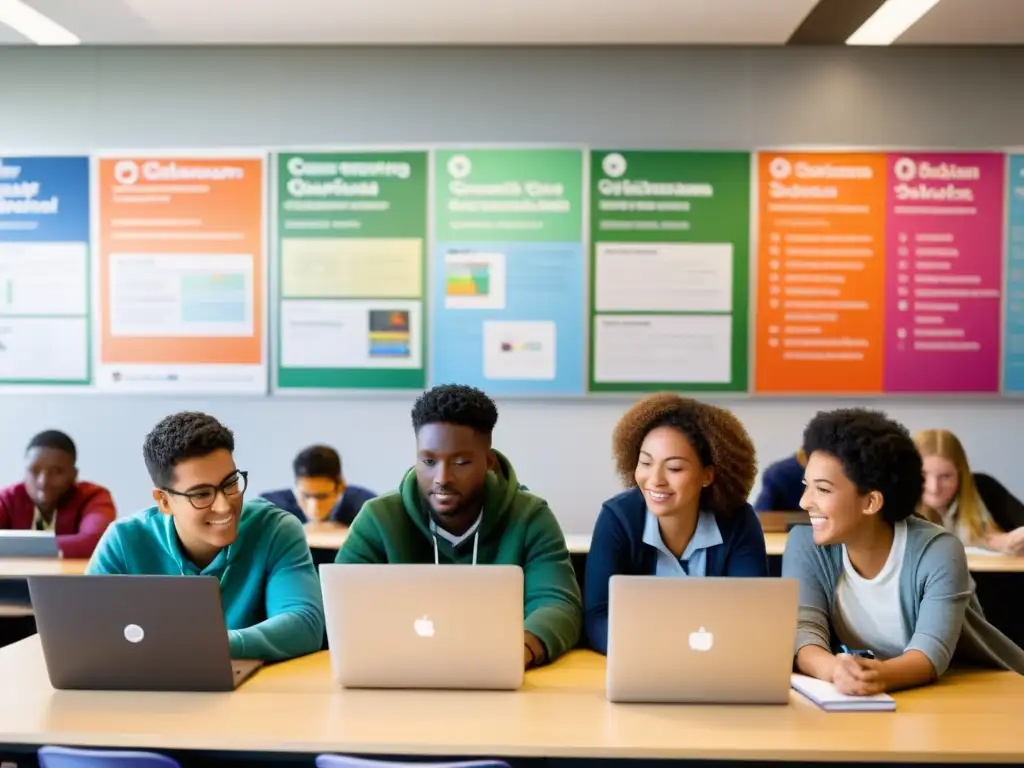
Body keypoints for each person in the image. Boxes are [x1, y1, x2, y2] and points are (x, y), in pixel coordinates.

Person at [335, 384, 582, 668]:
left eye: (461, 462)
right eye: (428, 461)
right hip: (400, 674)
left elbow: (557, 603)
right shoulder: (378, 519)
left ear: (488, 462)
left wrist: (516, 651)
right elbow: (343, 607)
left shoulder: (530, 517)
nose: (442, 478)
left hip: (500, 676)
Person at [783, 408, 1024, 695]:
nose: (804, 501)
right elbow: (804, 633)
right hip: (879, 691)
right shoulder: (805, 544)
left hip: (973, 687)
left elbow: (930, 653)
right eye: (805, 486)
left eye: (822, 490)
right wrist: (834, 670)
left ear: (871, 502)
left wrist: (876, 676)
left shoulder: (938, 551)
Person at [87, 412, 325, 662]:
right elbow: (85, 631)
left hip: (255, 694)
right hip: (149, 693)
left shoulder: (276, 530)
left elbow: (304, 625)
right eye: (201, 494)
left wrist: (206, 646)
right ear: (165, 501)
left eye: (230, 483)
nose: (224, 506)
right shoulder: (123, 541)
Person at [584, 393, 768, 654]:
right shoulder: (618, 517)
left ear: (708, 475)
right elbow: (598, 614)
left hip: (717, 668)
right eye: (646, 462)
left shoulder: (738, 521)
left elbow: (753, 613)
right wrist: (646, 651)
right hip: (641, 663)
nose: (655, 479)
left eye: (675, 468)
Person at [0, 430, 116, 558]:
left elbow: (95, 542)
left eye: (56, 471)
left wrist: (14, 547)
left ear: (74, 475)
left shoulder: (93, 497)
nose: (43, 481)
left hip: (71, 577)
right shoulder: (7, 499)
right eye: (34, 471)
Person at [914, 429, 1024, 556]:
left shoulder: (984, 487)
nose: (934, 488)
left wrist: (1008, 541)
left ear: (961, 474)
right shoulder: (898, 501)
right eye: (922, 475)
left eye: (946, 477)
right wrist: (991, 542)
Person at [261, 445, 376, 530]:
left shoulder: (367, 508)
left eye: (322, 496)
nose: (314, 506)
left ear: (341, 487)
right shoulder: (270, 508)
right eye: (305, 495)